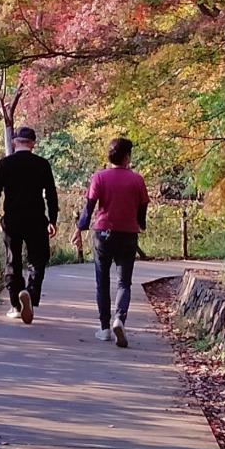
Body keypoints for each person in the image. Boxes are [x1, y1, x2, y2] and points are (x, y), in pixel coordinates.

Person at [76, 136, 149, 348]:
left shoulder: (99, 177)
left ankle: (105, 329)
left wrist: (80, 228)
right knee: (124, 282)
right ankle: (119, 320)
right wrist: (140, 224)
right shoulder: (137, 180)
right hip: (128, 234)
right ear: (127, 157)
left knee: (102, 281)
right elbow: (142, 209)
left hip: (103, 233)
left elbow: (89, 207)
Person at [0, 125, 58, 324]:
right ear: (33, 143)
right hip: (36, 219)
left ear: (14, 142)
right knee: (38, 259)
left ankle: (15, 306)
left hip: (12, 220)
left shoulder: (5, 164)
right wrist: (52, 220)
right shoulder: (42, 164)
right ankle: (31, 293)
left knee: (13, 259)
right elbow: (51, 195)